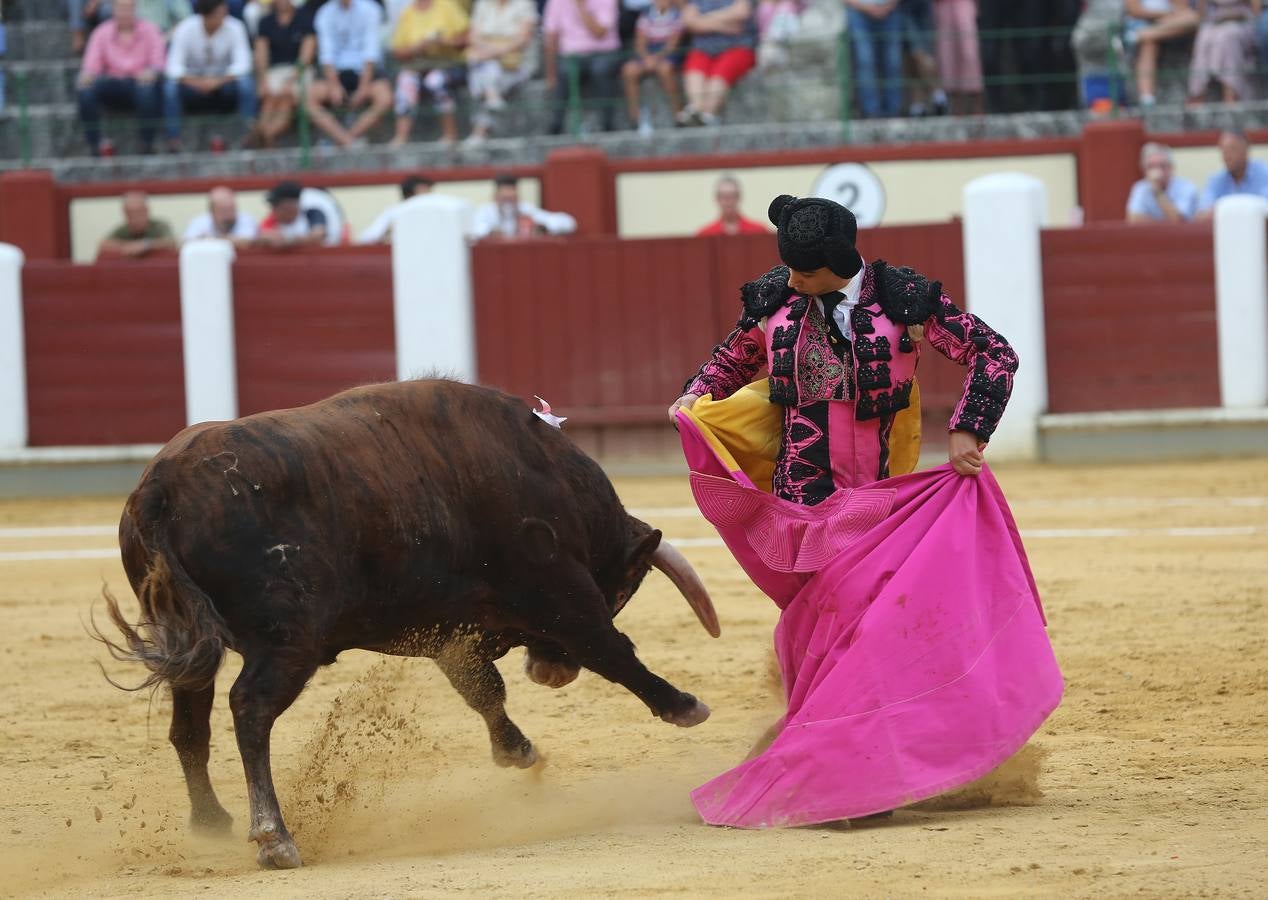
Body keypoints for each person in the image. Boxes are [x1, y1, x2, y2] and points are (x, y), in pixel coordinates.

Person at [667, 195, 1061, 828]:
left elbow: (994, 354)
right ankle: (845, 762)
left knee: (863, 625)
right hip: (799, 505)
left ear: (838, 263)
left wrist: (969, 427)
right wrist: (694, 397)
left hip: (881, 502)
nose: (793, 280)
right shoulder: (774, 301)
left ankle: (857, 767)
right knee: (826, 624)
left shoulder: (904, 300)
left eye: (804, 272)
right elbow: (730, 361)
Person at [164, 0, 259, 151]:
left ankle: (246, 136)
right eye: (218, 13)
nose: (224, 16)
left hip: (224, 84)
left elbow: (243, 65)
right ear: (205, 15)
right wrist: (197, 82)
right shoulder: (185, 28)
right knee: (170, 88)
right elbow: (173, 68)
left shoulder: (235, 26)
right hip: (192, 85)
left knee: (246, 84)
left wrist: (217, 81)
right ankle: (174, 140)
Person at [76, 0, 167, 156]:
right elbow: (91, 66)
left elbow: (158, 64)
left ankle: (147, 144)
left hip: (140, 83)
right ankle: (95, 145)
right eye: (121, 8)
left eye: (128, 8)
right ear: (113, 9)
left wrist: (151, 72)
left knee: (148, 90)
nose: (124, 12)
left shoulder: (151, 30)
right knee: (85, 90)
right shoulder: (101, 32)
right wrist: (87, 75)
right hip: (112, 82)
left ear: (135, 9)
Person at [308, 0, 394, 147]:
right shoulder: (324, 13)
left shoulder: (371, 9)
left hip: (366, 72)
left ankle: (343, 141)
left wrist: (363, 87)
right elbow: (326, 54)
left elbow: (371, 51)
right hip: (337, 73)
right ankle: (348, 142)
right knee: (307, 98)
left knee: (385, 98)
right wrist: (334, 85)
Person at [388, 0, 470, 146]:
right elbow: (398, 51)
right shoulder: (408, 12)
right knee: (406, 80)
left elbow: (466, 38)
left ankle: (450, 135)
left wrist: (443, 42)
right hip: (419, 65)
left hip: (449, 64)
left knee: (435, 80)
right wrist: (418, 47)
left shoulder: (447, 6)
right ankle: (401, 138)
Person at [464, 0, 540, 144]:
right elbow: (473, 37)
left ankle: (479, 132)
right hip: (488, 60)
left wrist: (493, 52)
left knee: (481, 73)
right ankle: (492, 97)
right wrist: (492, 52)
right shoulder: (483, 4)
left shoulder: (524, 4)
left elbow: (523, 39)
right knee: (487, 68)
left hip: (516, 63)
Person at [542, 0, 622, 134]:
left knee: (601, 69)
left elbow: (599, 32)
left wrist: (580, 6)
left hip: (603, 53)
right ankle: (555, 125)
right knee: (565, 71)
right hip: (571, 56)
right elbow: (550, 36)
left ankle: (608, 124)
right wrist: (550, 73)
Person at [679, 0, 757, 125]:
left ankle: (706, 116)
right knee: (695, 66)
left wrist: (704, 19)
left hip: (736, 48)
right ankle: (696, 111)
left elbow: (741, 12)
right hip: (703, 50)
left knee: (722, 71)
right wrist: (723, 25)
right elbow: (689, 22)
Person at [254, 0, 316, 146]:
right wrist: (262, 80)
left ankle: (264, 136)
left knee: (287, 99)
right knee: (269, 99)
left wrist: (292, 79)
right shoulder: (265, 21)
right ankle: (265, 138)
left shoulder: (304, 18)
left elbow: (306, 56)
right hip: (275, 71)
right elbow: (261, 54)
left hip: (299, 71)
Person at [621, 0, 686, 129]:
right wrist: (647, 58)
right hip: (648, 55)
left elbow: (672, 45)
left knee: (665, 70)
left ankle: (678, 116)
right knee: (629, 70)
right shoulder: (646, 14)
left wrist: (655, 59)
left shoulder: (677, 15)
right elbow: (640, 43)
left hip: (666, 56)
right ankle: (635, 119)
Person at [1124, 0, 1200, 107]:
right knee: (1149, 44)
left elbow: (1182, 8)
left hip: (1167, 22)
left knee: (1192, 18)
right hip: (1143, 23)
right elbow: (1135, 11)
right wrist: (1165, 14)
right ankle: (1147, 100)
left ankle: (1138, 36)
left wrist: (1170, 14)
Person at [1187, 0, 1260, 104]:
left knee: (1227, 36)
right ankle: (1197, 94)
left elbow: (1256, 11)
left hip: (1243, 24)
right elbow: (1201, 15)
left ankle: (1231, 95)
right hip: (1216, 23)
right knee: (1204, 36)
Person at [842, 0, 903, 119]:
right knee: (865, 62)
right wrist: (868, 8)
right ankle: (871, 112)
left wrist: (888, 5)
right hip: (858, 11)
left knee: (893, 62)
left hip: (890, 10)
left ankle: (893, 112)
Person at [469, 174, 578, 240]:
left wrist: (543, 228)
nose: (508, 199)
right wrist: (491, 233)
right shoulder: (486, 211)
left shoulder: (526, 209)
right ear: (496, 195)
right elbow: (477, 232)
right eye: (504, 197)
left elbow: (568, 223)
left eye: (511, 196)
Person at [1197, 129, 1268, 216]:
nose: (1227, 156)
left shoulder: (1264, 175)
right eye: (1223, 151)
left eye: (1232, 149)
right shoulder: (1216, 180)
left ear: (1246, 150)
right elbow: (1202, 215)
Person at [897, 0, 948, 116]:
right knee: (910, 60)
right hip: (901, 8)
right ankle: (919, 105)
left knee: (920, 53)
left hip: (918, 7)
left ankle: (938, 96)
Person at [1126, 142, 1199, 222]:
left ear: (1171, 167)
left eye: (1162, 166)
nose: (1157, 172)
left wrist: (1157, 191)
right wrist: (1161, 225)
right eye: (1151, 167)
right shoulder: (1140, 188)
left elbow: (1179, 220)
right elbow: (1133, 219)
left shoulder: (1186, 187)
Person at [932, 0, 982, 114]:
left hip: (964, 4)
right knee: (948, 57)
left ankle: (977, 109)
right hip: (943, 6)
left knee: (969, 54)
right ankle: (957, 110)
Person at [357, 173, 435, 243]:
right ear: (409, 195)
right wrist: (387, 232)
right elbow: (365, 239)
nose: (427, 197)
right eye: (423, 193)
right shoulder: (395, 212)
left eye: (428, 192)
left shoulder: (435, 211)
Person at [97, 191, 178, 258]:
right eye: (130, 214)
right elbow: (104, 244)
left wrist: (146, 244)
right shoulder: (123, 229)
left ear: (146, 211)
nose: (135, 218)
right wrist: (127, 246)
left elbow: (171, 242)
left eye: (138, 212)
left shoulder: (159, 226)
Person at [257, 180, 334, 248]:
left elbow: (319, 234)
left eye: (278, 206)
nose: (273, 210)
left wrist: (289, 241)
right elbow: (262, 236)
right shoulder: (272, 220)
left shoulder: (312, 214)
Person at [183, 185, 261, 244]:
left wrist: (210, 240)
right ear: (212, 212)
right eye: (223, 211)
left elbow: (247, 241)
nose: (228, 215)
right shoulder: (200, 222)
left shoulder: (246, 220)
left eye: (231, 209)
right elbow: (187, 242)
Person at [696, 174, 769, 235]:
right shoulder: (705, 234)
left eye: (732, 195)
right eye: (724, 196)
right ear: (717, 199)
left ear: (739, 197)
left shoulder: (759, 231)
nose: (728, 201)